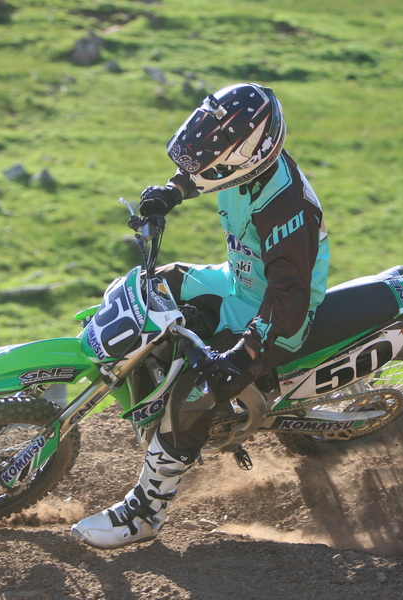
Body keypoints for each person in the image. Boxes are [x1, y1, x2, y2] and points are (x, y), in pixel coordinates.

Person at [71, 82, 330, 549]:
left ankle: (146, 512)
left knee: (195, 393)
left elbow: (288, 301)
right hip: (240, 280)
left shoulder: (285, 208)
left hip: (276, 312)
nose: (201, 168)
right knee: (155, 283)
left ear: (246, 157)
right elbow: (207, 169)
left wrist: (243, 353)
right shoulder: (245, 168)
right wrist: (171, 191)